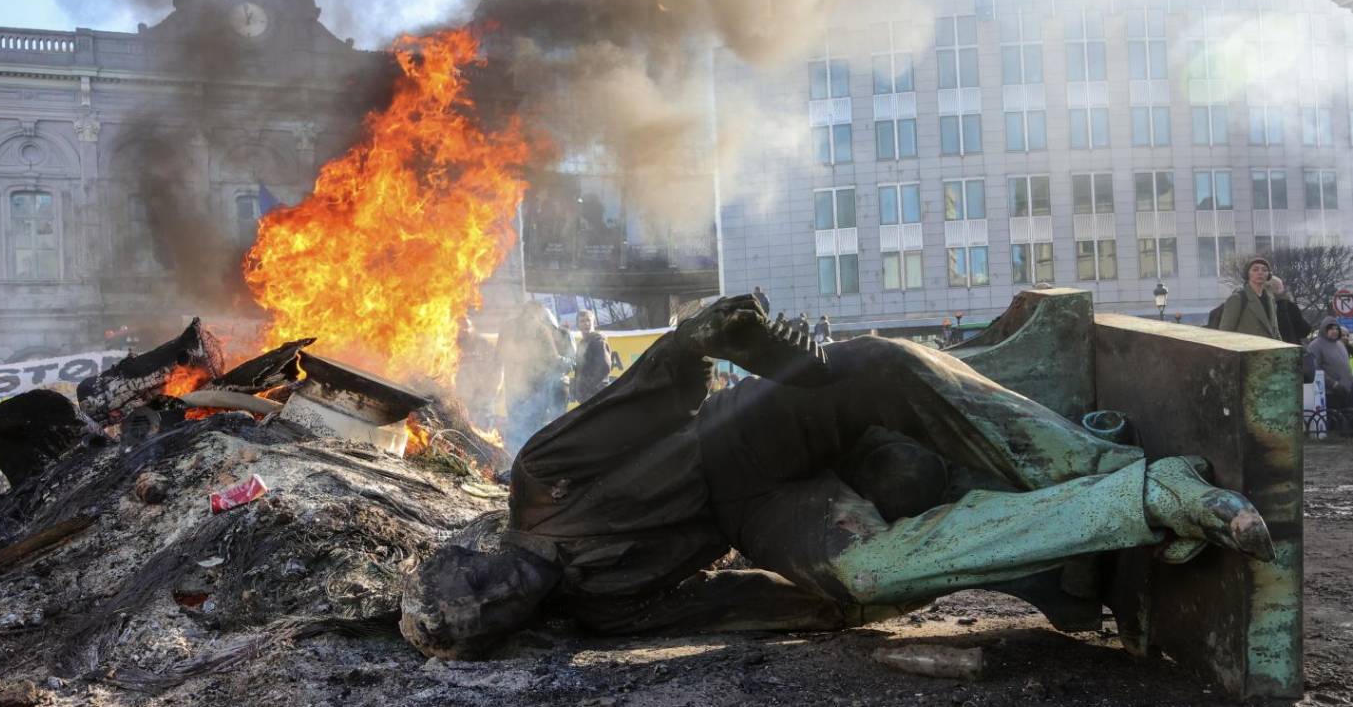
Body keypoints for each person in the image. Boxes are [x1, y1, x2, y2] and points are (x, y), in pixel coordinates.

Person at [400, 296, 1274, 659]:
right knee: (869, 567)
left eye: (478, 583)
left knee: (881, 364)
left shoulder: (542, 481)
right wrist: (848, 602)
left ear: (466, 550)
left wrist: (713, 334)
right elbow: (743, 602)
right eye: (494, 616)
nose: (500, 594)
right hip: (760, 508)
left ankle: (1106, 465)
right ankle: (1138, 501)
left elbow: (654, 388)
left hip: (737, 437)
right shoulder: (595, 608)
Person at [498, 303, 574, 452]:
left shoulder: (510, 327)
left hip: (520, 387)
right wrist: (567, 363)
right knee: (533, 428)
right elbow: (552, 358)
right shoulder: (539, 328)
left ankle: (515, 458)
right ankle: (526, 459)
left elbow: (499, 356)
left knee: (521, 426)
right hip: (532, 388)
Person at [456, 316, 502, 430]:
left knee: (482, 431)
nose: (464, 331)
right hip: (460, 399)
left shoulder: (485, 346)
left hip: (482, 399)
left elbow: (497, 369)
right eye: (460, 329)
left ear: (473, 328)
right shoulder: (450, 347)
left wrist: (489, 392)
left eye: (467, 327)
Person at [1217, 257, 1280, 339]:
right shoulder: (1237, 298)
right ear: (1248, 274)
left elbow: (1275, 331)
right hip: (1247, 350)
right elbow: (1225, 332)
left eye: (1264, 270)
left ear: (1269, 275)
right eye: (1255, 270)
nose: (1260, 272)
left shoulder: (1270, 299)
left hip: (1270, 349)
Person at [1309, 319, 1353, 411]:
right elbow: (1315, 368)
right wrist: (1333, 384)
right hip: (1329, 393)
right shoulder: (1316, 345)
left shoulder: (1340, 345)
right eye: (1331, 329)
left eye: (1336, 329)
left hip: (1347, 390)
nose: (1334, 331)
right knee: (1335, 420)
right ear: (1324, 330)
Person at [572, 311, 613, 404]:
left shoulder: (598, 341)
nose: (586, 323)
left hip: (598, 395)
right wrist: (577, 389)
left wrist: (588, 388)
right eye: (582, 321)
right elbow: (579, 370)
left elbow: (604, 367)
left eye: (588, 320)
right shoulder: (581, 344)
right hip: (585, 397)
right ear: (578, 325)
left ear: (594, 323)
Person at [1269, 276, 1311, 344]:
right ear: (1282, 288)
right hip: (1290, 346)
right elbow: (1304, 330)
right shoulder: (1289, 306)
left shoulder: (1263, 305)